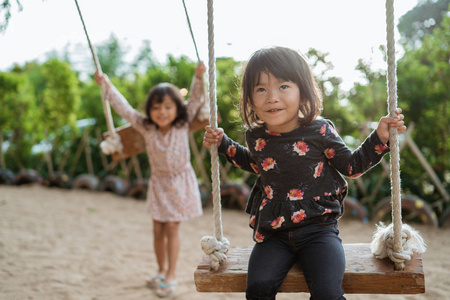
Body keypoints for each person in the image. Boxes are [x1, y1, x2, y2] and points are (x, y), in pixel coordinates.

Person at [203, 47, 406, 300]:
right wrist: (224, 144)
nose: (272, 97)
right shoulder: (256, 135)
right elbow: (255, 164)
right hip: (273, 233)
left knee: (327, 293)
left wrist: (380, 137)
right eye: (261, 89)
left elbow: (351, 166)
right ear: (250, 99)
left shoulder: (319, 131)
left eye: (283, 86)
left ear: (303, 92)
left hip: (318, 230)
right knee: (257, 289)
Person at [94, 61, 206, 298]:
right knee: (157, 229)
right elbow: (123, 108)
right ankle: (161, 269)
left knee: (172, 228)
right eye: (156, 107)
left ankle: (172, 275)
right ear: (149, 110)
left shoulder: (182, 124)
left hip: (179, 182)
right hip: (159, 183)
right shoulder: (146, 127)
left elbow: (196, 99)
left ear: (177, 109)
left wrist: (198, 76)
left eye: (167, 107)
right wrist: (107, 85)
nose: (162, 112)